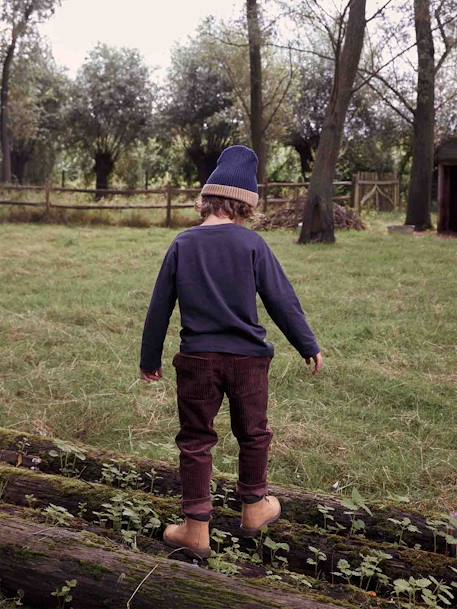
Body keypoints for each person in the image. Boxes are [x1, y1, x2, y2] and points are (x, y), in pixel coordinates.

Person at [140, 145, 323, 558]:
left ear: (206, 200)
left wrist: (150, 359)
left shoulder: (183, 244)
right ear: (246, 206)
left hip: (198, 360)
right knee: (254, 433)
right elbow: (282, 300)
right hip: (248, 361)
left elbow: (159, 306)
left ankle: (194, 529)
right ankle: (255, 507)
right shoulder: (253, 245)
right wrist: (307, 344)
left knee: (195, 440)